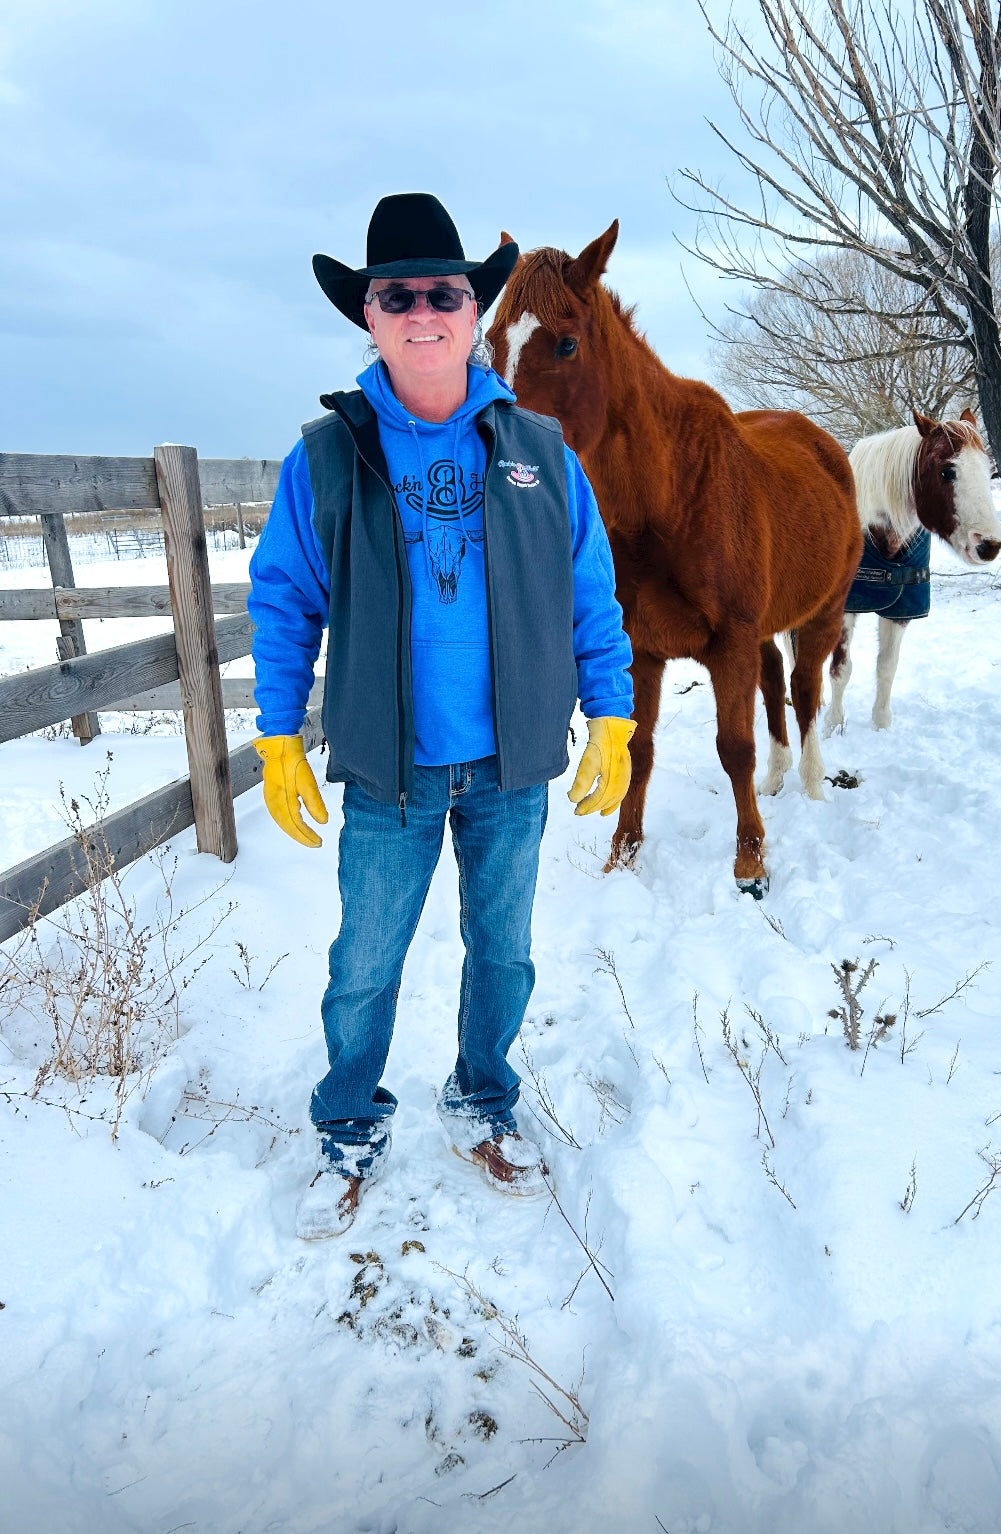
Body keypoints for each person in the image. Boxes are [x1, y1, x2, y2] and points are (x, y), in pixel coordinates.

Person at [247, 193, 635, 1239]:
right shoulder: (326, 457)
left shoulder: (540, 450)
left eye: (444, 294)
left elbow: (588, 589)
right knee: (364, 964)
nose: (423, 312)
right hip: (391, 770)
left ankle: (482, 1099)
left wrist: (612, 711)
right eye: (398, 296)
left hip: (510, 765)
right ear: (369, 317)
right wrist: (279, 733)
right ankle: (346, 1123)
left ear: (474, 311)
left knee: (504, 954)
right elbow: (283, 600)